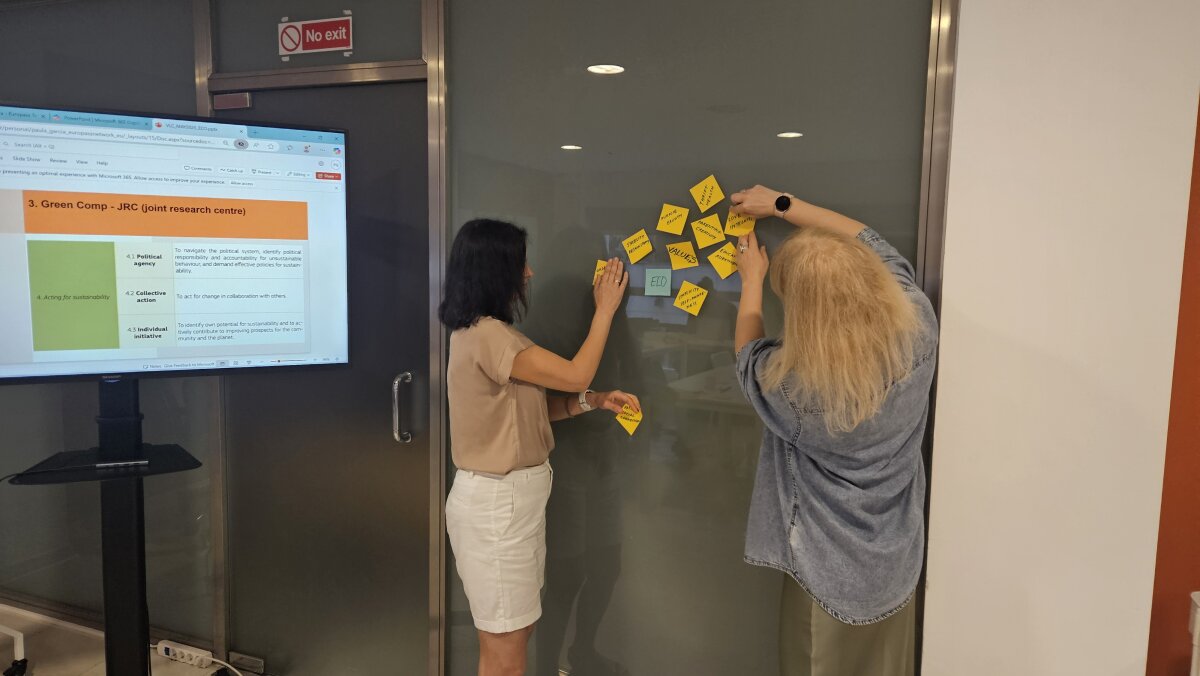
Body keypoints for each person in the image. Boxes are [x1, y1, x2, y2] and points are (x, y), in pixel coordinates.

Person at [727, 186, 938, 676]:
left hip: (823, 572)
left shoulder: (797, 390)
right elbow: (871, 241)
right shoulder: (919, 326)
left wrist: (752, 280)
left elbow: (747, 358)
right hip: (894, 562)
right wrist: (782, 204)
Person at [439, 218, 642, 676]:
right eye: (521, 263)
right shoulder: (488, 335)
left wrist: (591, 401)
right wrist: (605, 310)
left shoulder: (490, 333)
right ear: (495, 269)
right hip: (498, 507)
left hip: (513, 504)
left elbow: (528, 411)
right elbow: (575, 374)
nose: (529, 273)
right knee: (506, 648)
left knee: (512, 633)